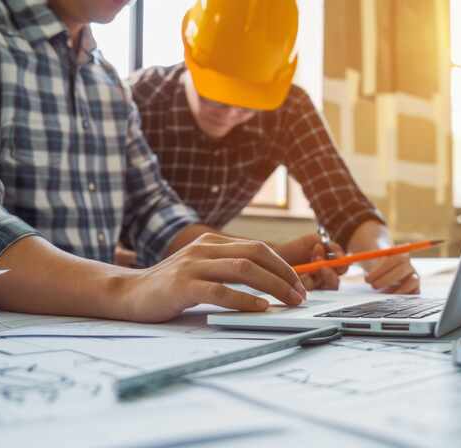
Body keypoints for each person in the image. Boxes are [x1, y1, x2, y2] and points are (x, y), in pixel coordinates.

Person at [0, 0, 313, 324]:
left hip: (97, 339)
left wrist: (246, 261)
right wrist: (127, 287)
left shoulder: (106, 81)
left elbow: (154, 212)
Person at [126, 0, 420, 294]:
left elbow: (343, 205)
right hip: (123, 277)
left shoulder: (288, 109)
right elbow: (130, 225)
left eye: (247, 104)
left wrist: (383, 258)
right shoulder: (135, 101)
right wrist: (263, 257)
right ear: (190, 55)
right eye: (214, 96)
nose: (229, 113)